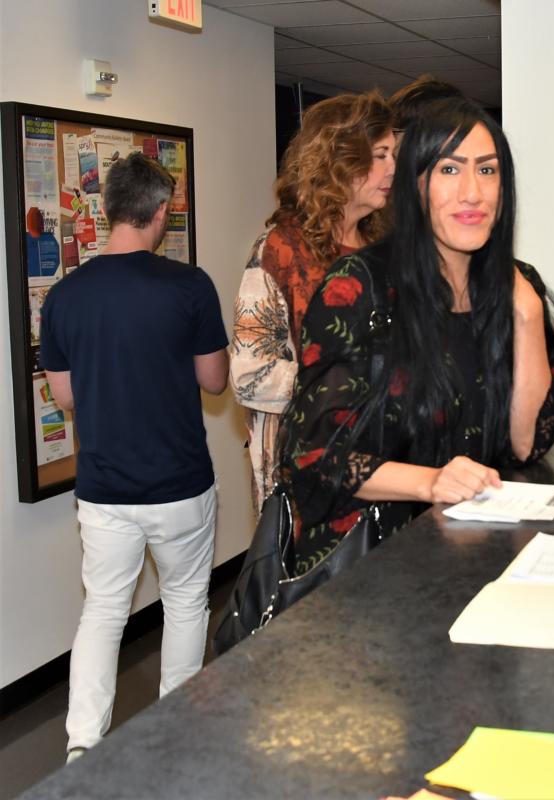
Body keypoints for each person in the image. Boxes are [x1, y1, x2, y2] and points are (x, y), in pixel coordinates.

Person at [276, 96, 554, 576]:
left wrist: (527, 313)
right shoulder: (362, 285)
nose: (472, 193)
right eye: (449, 170)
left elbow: (526, 445)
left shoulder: (520, 288)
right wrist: (432, 482)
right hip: (369, 568)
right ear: (414, 185)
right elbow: (312, 456)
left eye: (487, 170)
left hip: (476, 556)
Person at [39, 154, 228, 763]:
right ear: (160, 213)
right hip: (179, 485)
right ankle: (177, 733)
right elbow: (216, 381)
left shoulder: (64, 296)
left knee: (102, 613)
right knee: (185, 603)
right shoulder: (189, 286)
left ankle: (82, 746)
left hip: (103, 489)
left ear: (108, 208)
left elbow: (65, 396)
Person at [229, 91, 395, 513]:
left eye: (393, 154)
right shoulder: (281, 249)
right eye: (380, 155)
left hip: (386, 463)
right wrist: (353, 384)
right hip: (307, 472)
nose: (392, 168)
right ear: (340, 161)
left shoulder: (383, 246)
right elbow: (250, 374)